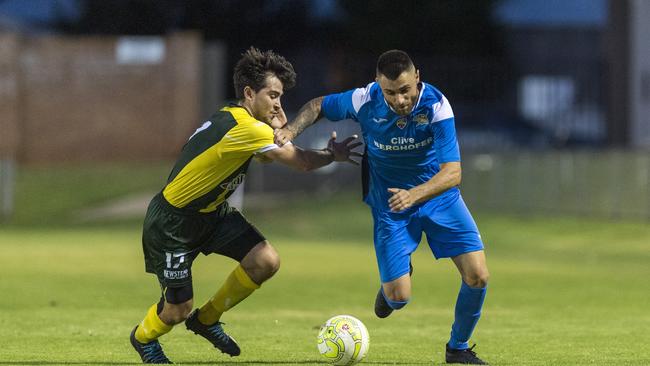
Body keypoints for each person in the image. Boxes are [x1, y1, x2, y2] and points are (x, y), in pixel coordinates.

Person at [130, 47, 361, 364]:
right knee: (176, 311)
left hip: (213, 215)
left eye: (280, 96)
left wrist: (280, 130)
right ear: (249, 93)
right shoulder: (248, 128)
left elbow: (267, 156)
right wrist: (331, 155)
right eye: (273, 95)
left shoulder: (237, 118)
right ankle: (143, 338)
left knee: (265, 260)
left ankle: (207, 319)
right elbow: (302, 162)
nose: (278, 103)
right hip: (174, 223)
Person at [274, 50, 490, 365]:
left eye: (405, 90)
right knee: (398, 298)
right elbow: (319, 105)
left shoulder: (437, 106)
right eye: (391, 92)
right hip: (391, 206)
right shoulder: (365, 100)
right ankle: (392, 288)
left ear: (417, 77)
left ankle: (457, 348)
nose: (400, 99)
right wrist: (291, 131)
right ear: (378, 84)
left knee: (478, 276)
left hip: (438, 197)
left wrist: (415, 194)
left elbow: (453, 173)